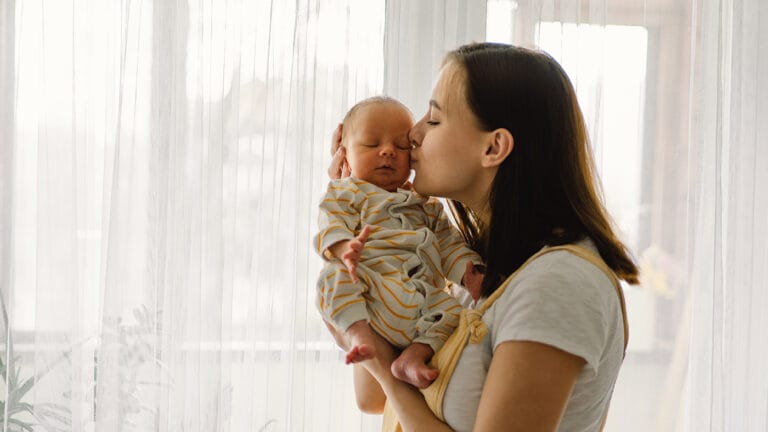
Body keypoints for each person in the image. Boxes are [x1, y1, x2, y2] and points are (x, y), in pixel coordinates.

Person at [326, 43, 639, 431]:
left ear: (494, 147)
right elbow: (372, 398)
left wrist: (383, 369)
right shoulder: (475, 268)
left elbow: (387, 381)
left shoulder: (558, 283)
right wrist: (362, 205)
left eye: (434, 120)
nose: (413, 134)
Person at [314, 96, 484, 391]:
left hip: (419, 300)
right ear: (344, 156)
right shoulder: (347, 192)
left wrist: (467, 273)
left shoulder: (426, 205)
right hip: (372, 287)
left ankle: (412, 357)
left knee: (453, 313)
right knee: (332, 276)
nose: (387, 151)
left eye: (402, 145)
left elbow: (449, 243)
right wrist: (343, 248)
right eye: (371, 143)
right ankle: (357, 334)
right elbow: (331, 220)